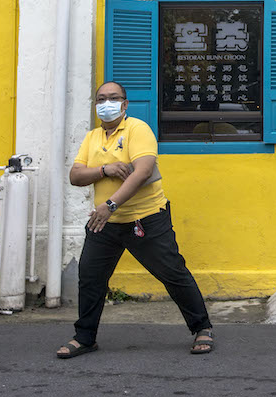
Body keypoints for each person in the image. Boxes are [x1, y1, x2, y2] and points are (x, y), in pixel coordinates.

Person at [55, 81, 214, 359]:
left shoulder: (137, 130)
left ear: (125, 104)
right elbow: (75, 175)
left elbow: (141, 172)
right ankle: (85, 337)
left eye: (114, 98)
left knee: (173, 274)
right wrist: (105, 169)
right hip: (104, 223)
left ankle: (202, 327)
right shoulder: (93, 137)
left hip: (146, 219)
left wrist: (111, 204)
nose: (107, 103)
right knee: (90, 278)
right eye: (101, 98)